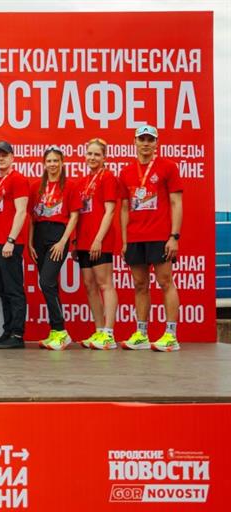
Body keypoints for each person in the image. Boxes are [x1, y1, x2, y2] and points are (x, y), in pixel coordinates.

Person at [119, 125, 183, 352]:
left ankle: (171, 335)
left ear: (156, 143)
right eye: (142, 139)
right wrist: (125, 241)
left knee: (165, 281)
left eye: (150, 139)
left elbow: (176, 203)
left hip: (160, 236)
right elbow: (124, 209)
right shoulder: (126, 172)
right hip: (135, 237)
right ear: (135, 142)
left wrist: (174, 236)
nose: (145, 143)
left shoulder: (168, 167)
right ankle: (142, 334)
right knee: (140, 285)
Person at [27, 147, 81, 350]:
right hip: (39, 236)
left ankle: (61, 330)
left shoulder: (70, 186)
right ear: (44, 163)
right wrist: (30, 242)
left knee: (46, 282)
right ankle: (55, 332)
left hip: (58, 236)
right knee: (50, 285)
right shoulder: (36, 186)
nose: (52, 164)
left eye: (56, 161)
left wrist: (63, 241)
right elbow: (32, 218)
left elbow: (74, 216)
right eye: (49, 161)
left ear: (62, 163)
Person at [75, 138, 119, 350]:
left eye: (97, 154)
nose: (92, 158)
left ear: (104, 157)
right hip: (84, 241)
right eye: (89, 154)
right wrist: (76, 242)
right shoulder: (83, 181)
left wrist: (98, 239)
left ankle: (109, 333)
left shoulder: (108, 177)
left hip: (100, 240)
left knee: (104, 284)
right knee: (89, 285)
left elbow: (110, 211)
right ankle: (99, 330)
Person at [0, 141, 29, 349]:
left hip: (10, 243)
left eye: (5, 155)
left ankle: (18, 334)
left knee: (13, 289)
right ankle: (8, 331)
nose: (1, 158)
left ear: (12, 157)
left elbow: (21, 211)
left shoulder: (18, 179)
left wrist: (11, 239)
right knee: (2, 289)